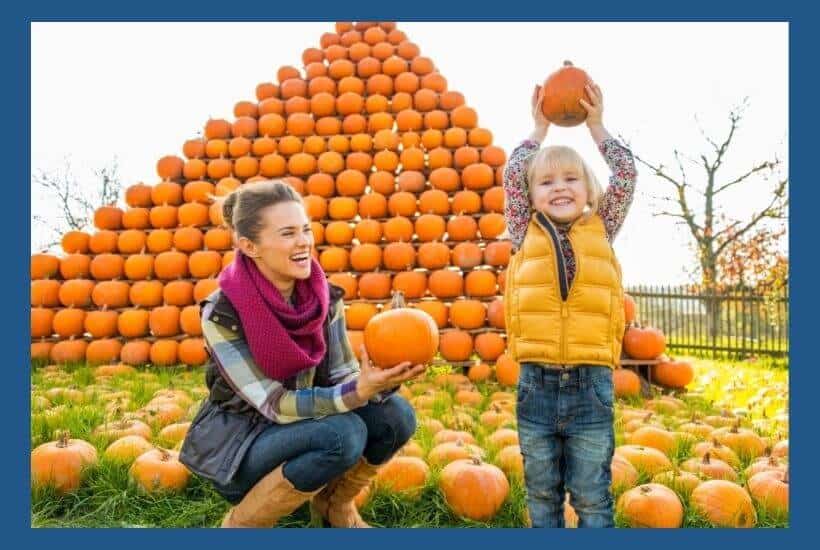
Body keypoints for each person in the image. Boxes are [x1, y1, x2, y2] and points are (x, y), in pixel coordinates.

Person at [180, 180, 425, 528]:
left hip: (306, 424)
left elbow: (341, 376)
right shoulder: (222, 313)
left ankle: (334, 508)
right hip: (243, 446)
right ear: (250, 246)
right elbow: (274, 403)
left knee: (395, 415)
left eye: (306, 230)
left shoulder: (323, 299)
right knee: (343, 434)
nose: (303, 242)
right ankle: (240, 524)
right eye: (288, 233)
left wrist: (380, 382)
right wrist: (358, 393)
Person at [502, 82, 638, 527]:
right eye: (546, 181)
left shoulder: (603, 226)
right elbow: (512, 172)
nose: (558, 188)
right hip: (535, 384)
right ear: (531, 193)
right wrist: (538, 128)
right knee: (541, 494)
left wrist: (596, 125)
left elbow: (626, 174)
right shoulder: (525, 230)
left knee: (592, 495)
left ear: (589, 188)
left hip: (592, 384)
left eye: (570, 178)